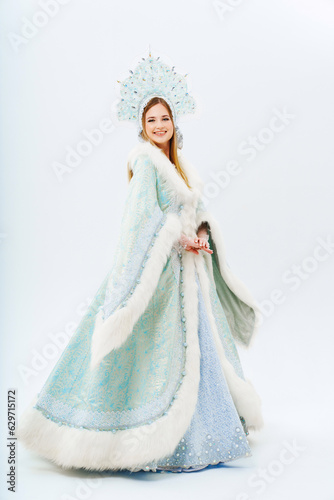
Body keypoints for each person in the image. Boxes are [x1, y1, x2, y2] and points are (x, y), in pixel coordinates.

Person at [17, 53, 264, 473]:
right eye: (151, 121)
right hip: (159, 281)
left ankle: (209, 436)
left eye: (164, 118)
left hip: (191, 279)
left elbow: (196, 210)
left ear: (174, 122)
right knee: (155, 360)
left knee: (201, 353)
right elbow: (139, 221)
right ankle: (136, 441)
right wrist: (174, 237)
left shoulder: (181, 167)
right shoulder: (146, 163)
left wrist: (201, 233)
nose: (159, 126)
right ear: (142, 127)